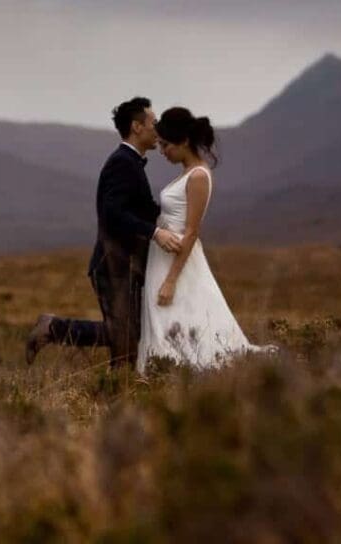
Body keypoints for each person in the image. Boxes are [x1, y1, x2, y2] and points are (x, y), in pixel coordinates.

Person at [25, 97, 183, 369]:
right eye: (153, 123)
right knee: (126, 338)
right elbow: (113, 212)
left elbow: (138, 209)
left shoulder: (131, 162)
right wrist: (155, 232)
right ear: (137, 127)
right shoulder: (123, 162)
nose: (158, 129)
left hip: (125, 265)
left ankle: (116, 395)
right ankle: (53, 328)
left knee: (128, 339)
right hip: (113, 265)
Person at [136, 106, 277, 374]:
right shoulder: (186, 172)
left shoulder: (198, 176)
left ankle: (178, 373)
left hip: (176, 261)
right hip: (162, 256)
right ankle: (163, 373)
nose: (162, 151)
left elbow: (191, 231)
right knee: (163, 320)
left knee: (175, 317)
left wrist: (171, 279)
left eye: (166, 145)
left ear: (184, 141)